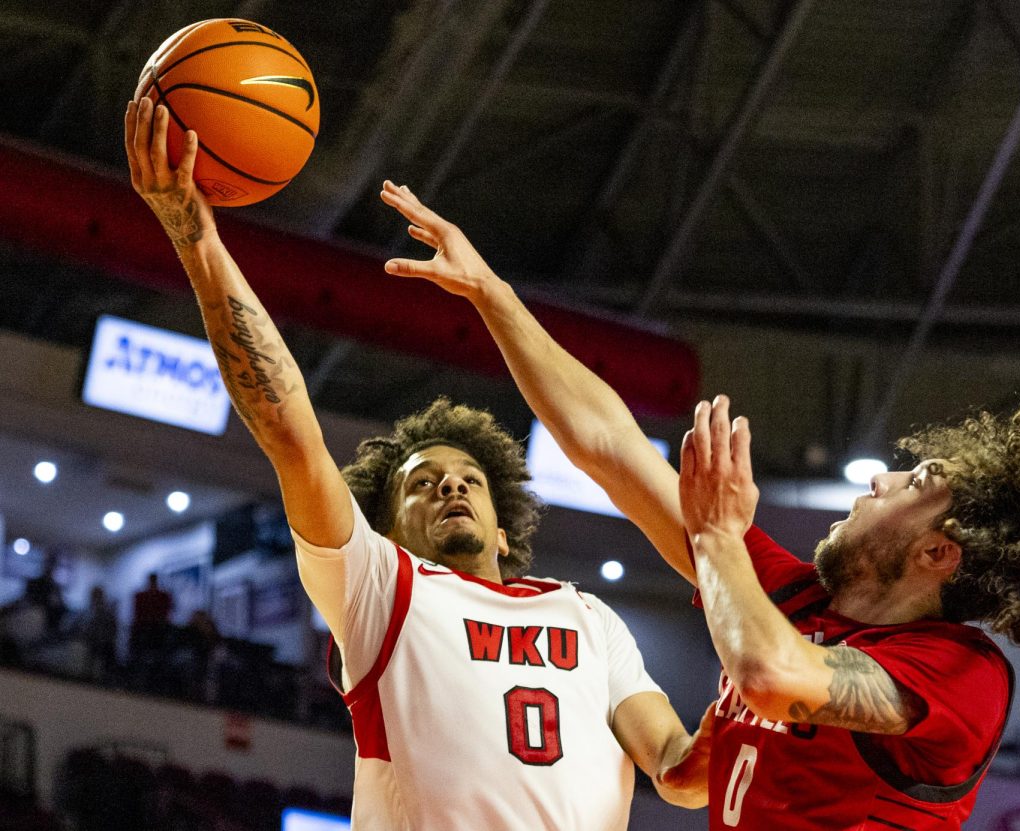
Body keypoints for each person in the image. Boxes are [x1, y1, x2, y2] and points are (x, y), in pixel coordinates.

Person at [379, 184, 1020, 829]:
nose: (878, 483)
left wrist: (717, 536)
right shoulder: (792, 594)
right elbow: (608, 444)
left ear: (939, 552)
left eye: (911, 484)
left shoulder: (958, 673)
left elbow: (773, 673)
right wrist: (492, 294)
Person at [124, 98, 708, 830]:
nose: (452, 485)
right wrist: (196, 236)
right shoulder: (380, 587)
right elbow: (291, 431)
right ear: (388, 529)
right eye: (423, 484)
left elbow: (682, 773)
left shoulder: (588, 616)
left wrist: (760, 694)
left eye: (469, 479)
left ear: (504, 530)